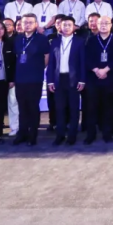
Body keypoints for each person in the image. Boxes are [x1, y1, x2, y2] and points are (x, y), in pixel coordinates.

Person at [11, 14, 51, 146]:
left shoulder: (42, 39)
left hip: (35, 78)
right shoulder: (18, 39)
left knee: (33, 107)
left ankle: (32, 135)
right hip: (20, 78)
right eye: (25, 22)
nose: (27, 25)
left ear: (36, 24)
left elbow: (46, 56)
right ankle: (22, 133)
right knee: (22, 107)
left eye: (30, 22)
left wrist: (39, 68)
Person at [46, 16, 86, 146]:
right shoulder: (55, 42)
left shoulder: (80, 41)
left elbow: (83, 62)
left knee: (74, 108)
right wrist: (50, 81)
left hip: (74, 79)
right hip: (59, 79)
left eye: (69, 25)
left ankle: (72, 136)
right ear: (60, 27)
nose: (67, 27)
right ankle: (60, 135)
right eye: (64, 25)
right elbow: (51, 63)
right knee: (60, 108)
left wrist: (82, 80)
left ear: (74, 27)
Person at [83, 15, 113, 144]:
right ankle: (91, 134)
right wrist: (96, 70)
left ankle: (107, 133)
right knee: (91, 107)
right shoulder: (91, 40)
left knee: (108, 107)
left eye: (106, 23)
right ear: (97, 25)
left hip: (109, 77)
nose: (104, 25)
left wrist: (105, 70)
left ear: (111, 25)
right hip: (93, 78)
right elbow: (87, 58)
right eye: (101, 23)